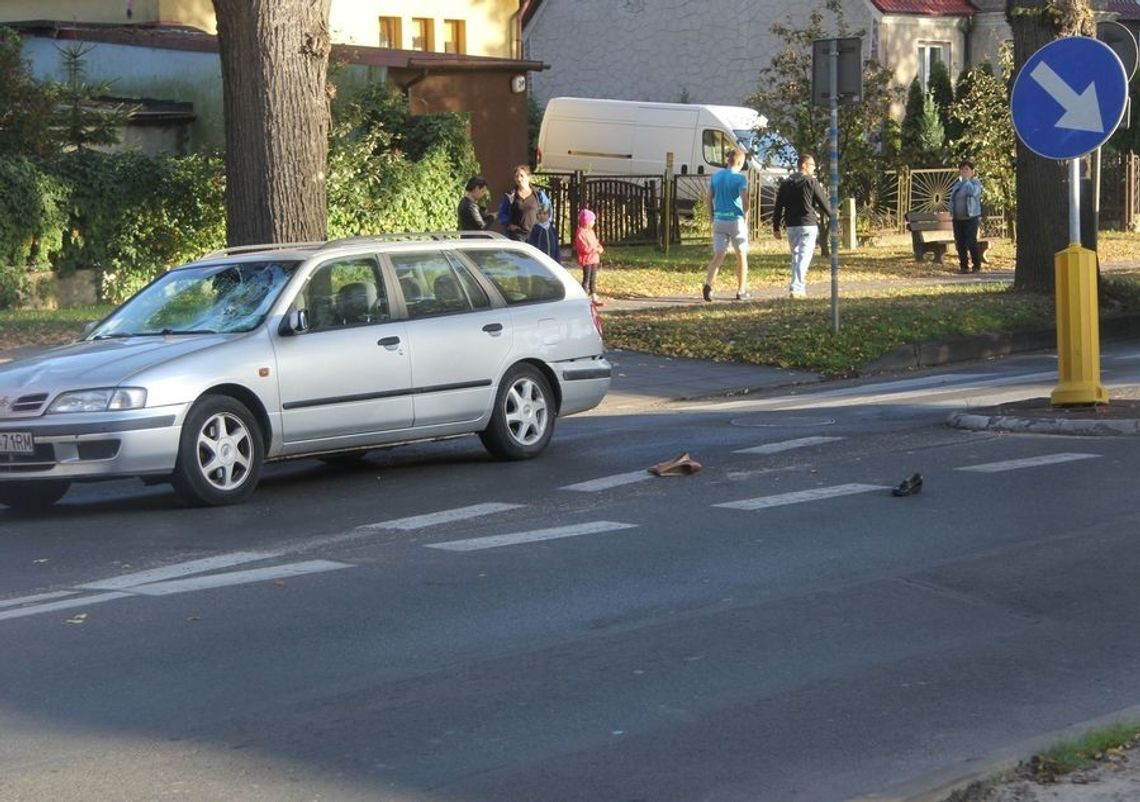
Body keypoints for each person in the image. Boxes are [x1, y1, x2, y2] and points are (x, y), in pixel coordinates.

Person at [773, 153, 832, 298]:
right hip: (807, 224)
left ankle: (798, 286)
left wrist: (776, 226)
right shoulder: (810, 182)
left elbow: (778, 206)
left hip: (791, 226)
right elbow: (823, 203)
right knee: (803, 256)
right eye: (812, 166)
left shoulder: (786, 183)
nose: (814, 169)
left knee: (797, 256)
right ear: (804, 165)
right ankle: (797, 287)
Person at [701, 147, 750, 302]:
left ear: (728, 161)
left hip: (719, 219)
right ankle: (741, 290)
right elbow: (745, 201)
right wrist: (746, 218)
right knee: (741, 255)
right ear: (740, 162)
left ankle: (708, 285)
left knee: (718, 255)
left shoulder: (716, 176)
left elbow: (708, 198)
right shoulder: (740, 179)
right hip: (735, 220)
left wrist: (712, 217)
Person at [949, 158, 983, 274]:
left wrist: (967, 181)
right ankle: (964, 266)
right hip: (958, 219)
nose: (964, 172)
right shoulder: (957, 185)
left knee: (971, 241)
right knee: (960, 243)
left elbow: (973, 193)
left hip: (971, 218)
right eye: (962, 169)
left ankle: (976, 265)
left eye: (967, 169)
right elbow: (952, 199)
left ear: (972, 171)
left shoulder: (975, 183)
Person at [497, 165, 549, 241]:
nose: (519, 178)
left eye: (522, 176)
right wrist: (509, 225)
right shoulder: (510, 195)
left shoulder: (538, 194)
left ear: (529, 177)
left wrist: (543, 224)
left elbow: (547, 210)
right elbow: (502, 213)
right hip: (516, 236)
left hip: (536, 235)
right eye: (516, 176)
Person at [574, 208, 604, 304]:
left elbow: (595, 242)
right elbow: (583, 248)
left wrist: (599, 247)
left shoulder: (591, 231)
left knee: (593, 278)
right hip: (586, 259)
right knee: (586, 278)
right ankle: (584, 296)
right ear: (587, 221)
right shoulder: (581, 233)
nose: (594, 222)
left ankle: (594, 294)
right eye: (592, 221)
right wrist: (595, 249)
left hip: (594, 259)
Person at [526, 198, 561, 262]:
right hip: (540, 261)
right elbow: (532, 245)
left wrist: (558, 261)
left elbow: (556, 247)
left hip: (552, 260)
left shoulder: (552, 229)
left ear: (548, 215)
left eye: (544, 213)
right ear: (537, 215)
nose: (542, 216)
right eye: (540, 213)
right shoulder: (535, 229)